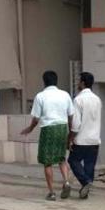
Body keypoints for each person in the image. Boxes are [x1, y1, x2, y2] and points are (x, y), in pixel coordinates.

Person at [21, 71, 74, 201]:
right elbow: (71, 115)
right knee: (62, 158)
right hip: (62, 127)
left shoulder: (40, 96)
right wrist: (70, 130)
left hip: (48, 129)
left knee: (47, 162)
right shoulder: (65, 95)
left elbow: (36, 118)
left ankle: (52, 192)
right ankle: (66, 181)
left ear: (44, 82)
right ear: (56, 81)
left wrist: (30, 128)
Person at [67, 72, 102, 200]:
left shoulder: (78, 100)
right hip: (94, 139)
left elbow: (76, 124)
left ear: (82, 83)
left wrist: (70, 138)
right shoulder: (97, 99)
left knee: (73, 160)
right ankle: (85, 190)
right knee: (89, 165)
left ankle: (85, 182)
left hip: (81, 139)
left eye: (79, 81)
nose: (77, 83)